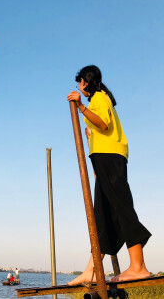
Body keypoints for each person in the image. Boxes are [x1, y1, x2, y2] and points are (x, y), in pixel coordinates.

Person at [66, 65, 151, 285]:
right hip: (104, 157)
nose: (78, 87)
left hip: (110, 157)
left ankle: (138, 267)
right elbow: (100, 128)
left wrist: (81, 108)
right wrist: (89, 134)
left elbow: (103, 123)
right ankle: (92, 270)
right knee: (102, 214)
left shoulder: (99, 98)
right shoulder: (99, 100)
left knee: (122, 207)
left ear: (84, 82)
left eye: (79, 83)